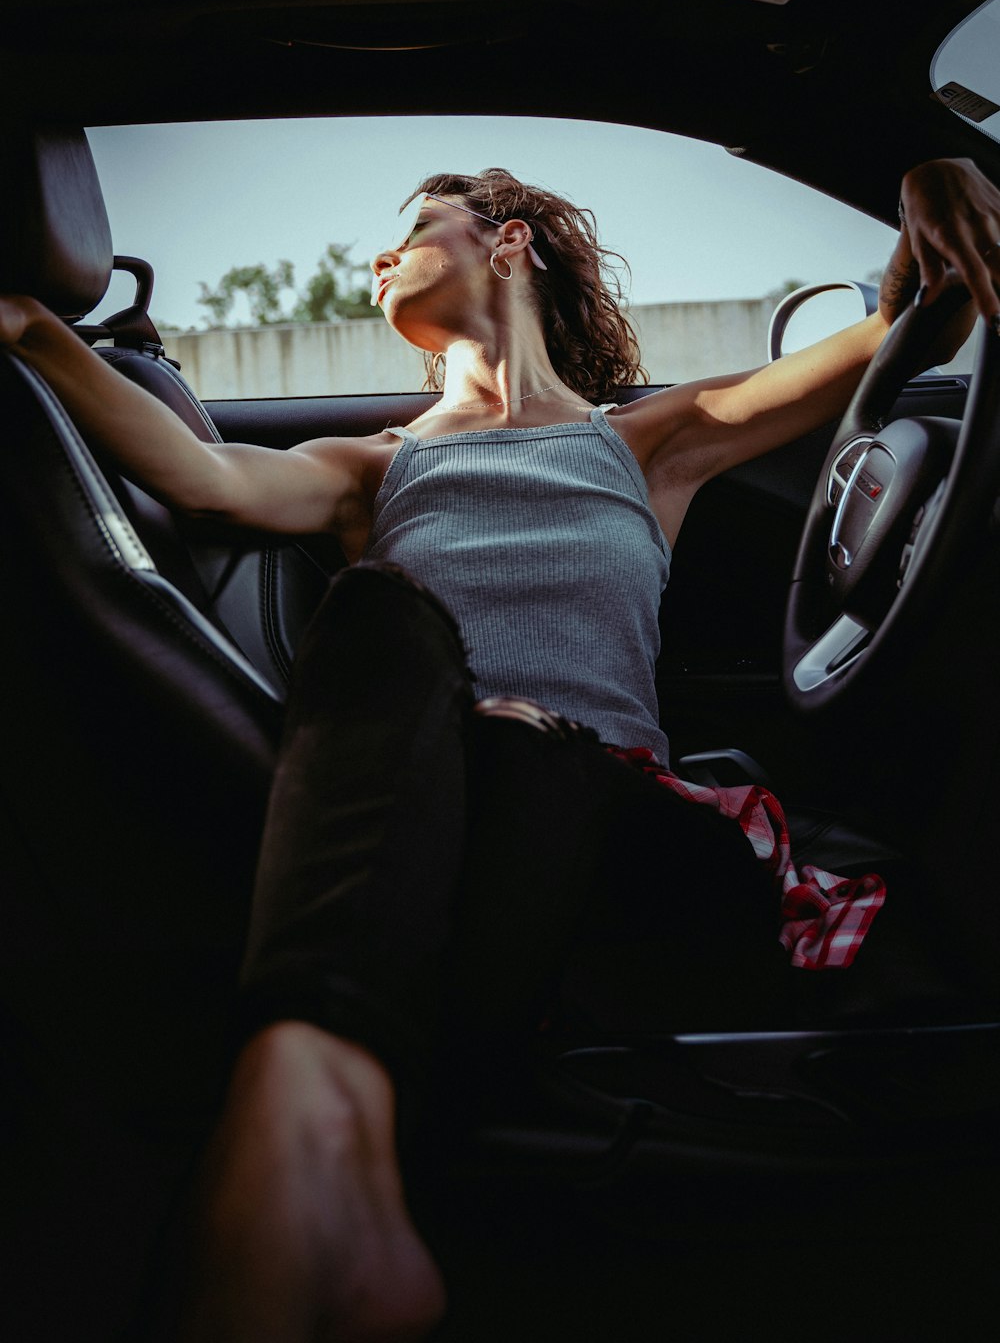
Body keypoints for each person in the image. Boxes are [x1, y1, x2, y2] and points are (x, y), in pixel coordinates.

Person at [2, 156, 999, 1341]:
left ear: (510, 242)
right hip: (438, 812)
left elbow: (900, 335)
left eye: (416, 229)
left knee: (523, 745)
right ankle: (329, 1134)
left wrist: (934, 182)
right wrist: (26, 324)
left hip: (615, 818)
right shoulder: (376, 466)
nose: (378, 258)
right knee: (378, 622)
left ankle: (306, 1120)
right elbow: (202, 477)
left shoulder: (651, 441)